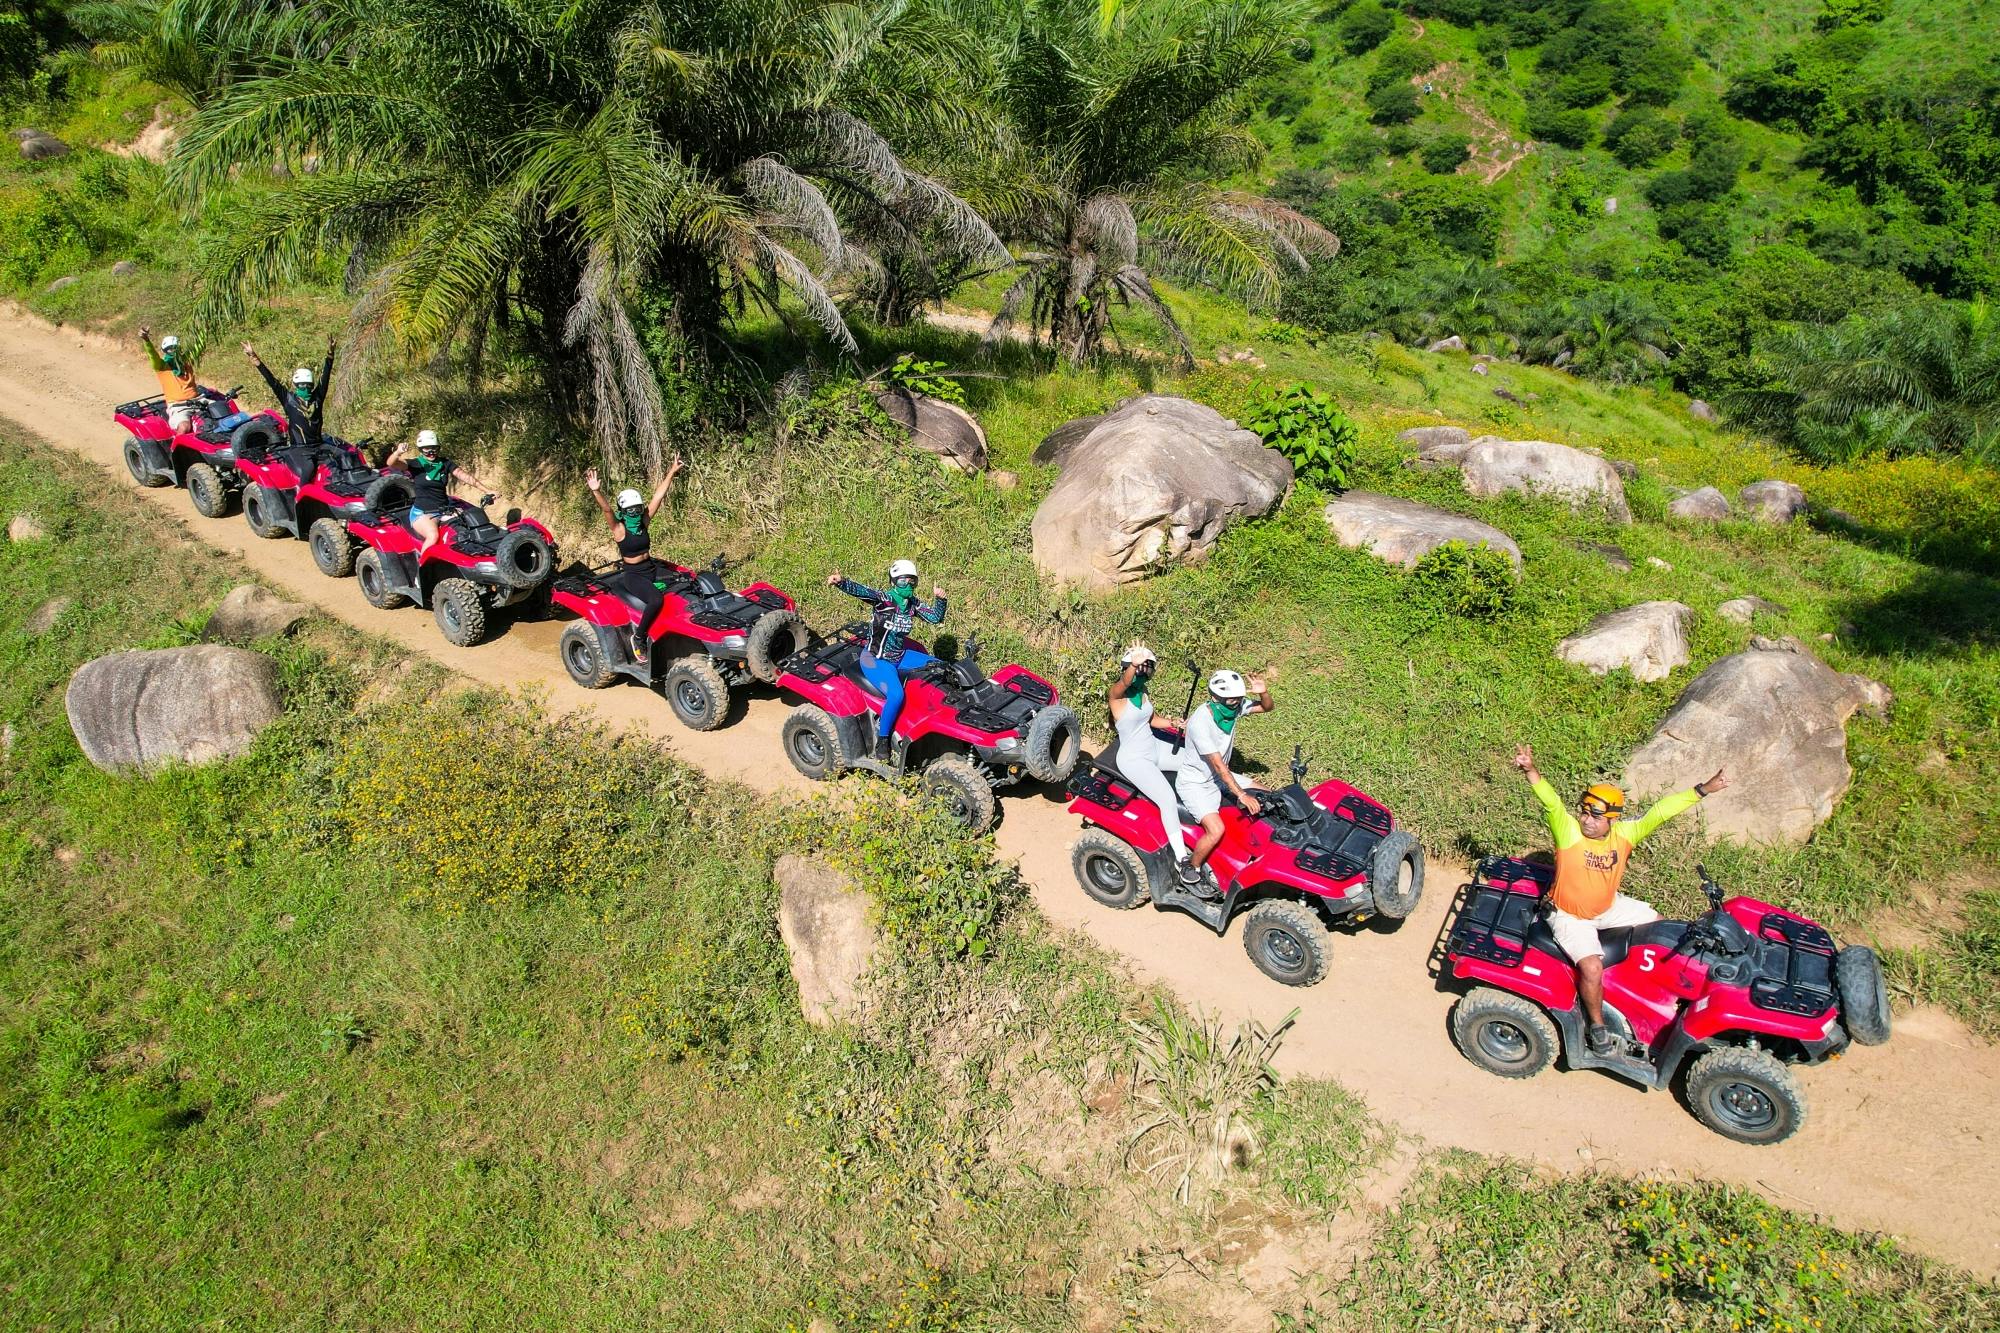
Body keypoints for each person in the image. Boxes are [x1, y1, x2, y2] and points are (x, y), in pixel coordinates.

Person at [1512, 743, 1730, 1056]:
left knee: (1663, 927)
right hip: (1570, 916)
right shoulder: (1569, 832)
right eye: (1584, 812)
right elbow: (1552, 803)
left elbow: (1661, 811)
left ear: (1612, 819)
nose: (1586, 820)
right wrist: (1530, 770)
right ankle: (1597, 1025)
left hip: (1609, 908)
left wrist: (1704, 789)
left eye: (1595, 816)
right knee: (1590, 968)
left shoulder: (1625, 834)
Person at [826, 560, 947, 762]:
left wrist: (941, 600)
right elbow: (864, 591)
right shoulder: (885, 600)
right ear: (893, 582)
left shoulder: (912, 604)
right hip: (876, 659)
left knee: (938, 667)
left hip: (899, 655)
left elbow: (935, 618)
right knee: (896, 695)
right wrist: (842, 582)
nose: (907, 585)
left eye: (912, 581)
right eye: (902, 581)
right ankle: (883, 740)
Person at [1171, 669, 1273, 895]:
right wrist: (1241, 794)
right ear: (1215, 698)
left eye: (1238, 699)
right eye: (1231, 700)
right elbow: (1218, 764)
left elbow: (1266, 707)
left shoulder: (1232, 708)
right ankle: (1190, 866)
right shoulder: (1201, 722)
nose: (1236, 704)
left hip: (1218, 776)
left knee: (1268, 792)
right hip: (1196, 783)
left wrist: (1264, 693)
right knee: (1216, 830)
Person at [1108, 643, 1193, 878]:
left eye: (1146, 669)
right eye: (1139, 669)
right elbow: (1123, 684)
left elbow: (1152, 719)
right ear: (1129, 668)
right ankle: (1182, 859)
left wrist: (1173, 723)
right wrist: (1133, 666)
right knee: (1166, 798)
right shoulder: (1117, 697)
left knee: (1194, 762)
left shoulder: (1143, 693)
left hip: (1154, 747)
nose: (1143, 673)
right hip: (1134, 758)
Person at [586, 457, 685, 655]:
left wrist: (671, 472)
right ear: (624, 511)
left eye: (637, 509)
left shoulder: (643, 522)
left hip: (651, 568)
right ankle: (639, 636)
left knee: (684, 583)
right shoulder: (619, 529)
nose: (635, 512)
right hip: (634, 575)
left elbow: (657, 497)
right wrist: (596, 490)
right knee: (656, 600)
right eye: (630, 510)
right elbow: (607, 510)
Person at [385, 430, 498, 562]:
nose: (431, 452)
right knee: (433, 536)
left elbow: (465, 477)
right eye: (427, 449)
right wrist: (398, 452)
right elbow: (391, 463)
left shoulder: (445, 463)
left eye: (434, 448)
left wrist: (487, 490)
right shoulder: (416, 464)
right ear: (421, 449)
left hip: (444, 509)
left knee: (471, 526)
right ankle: (422, 569)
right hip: (423, 513)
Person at [243, 339, 335, 451]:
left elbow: (325, 377)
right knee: (306, 469)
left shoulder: (309, 398)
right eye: (302, 385)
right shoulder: (291, 399)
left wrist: (330, 355)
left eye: (307, 386)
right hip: (299, 450)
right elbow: (272, 381)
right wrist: (255, 358)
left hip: (318, 447)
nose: (305, 388)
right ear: (297, 385)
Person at [138, 327, 203, 434]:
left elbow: (199, 345)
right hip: (178, 406)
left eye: (175, 348)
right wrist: (146, 340)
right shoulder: (162, 366)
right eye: (169, 349)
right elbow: (152, 355)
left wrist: (205, 325)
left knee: (223, 412)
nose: (173, 351)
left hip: (198, 400)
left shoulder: (187, 361)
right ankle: (175, 450)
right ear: (165, 351)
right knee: (184, 427)